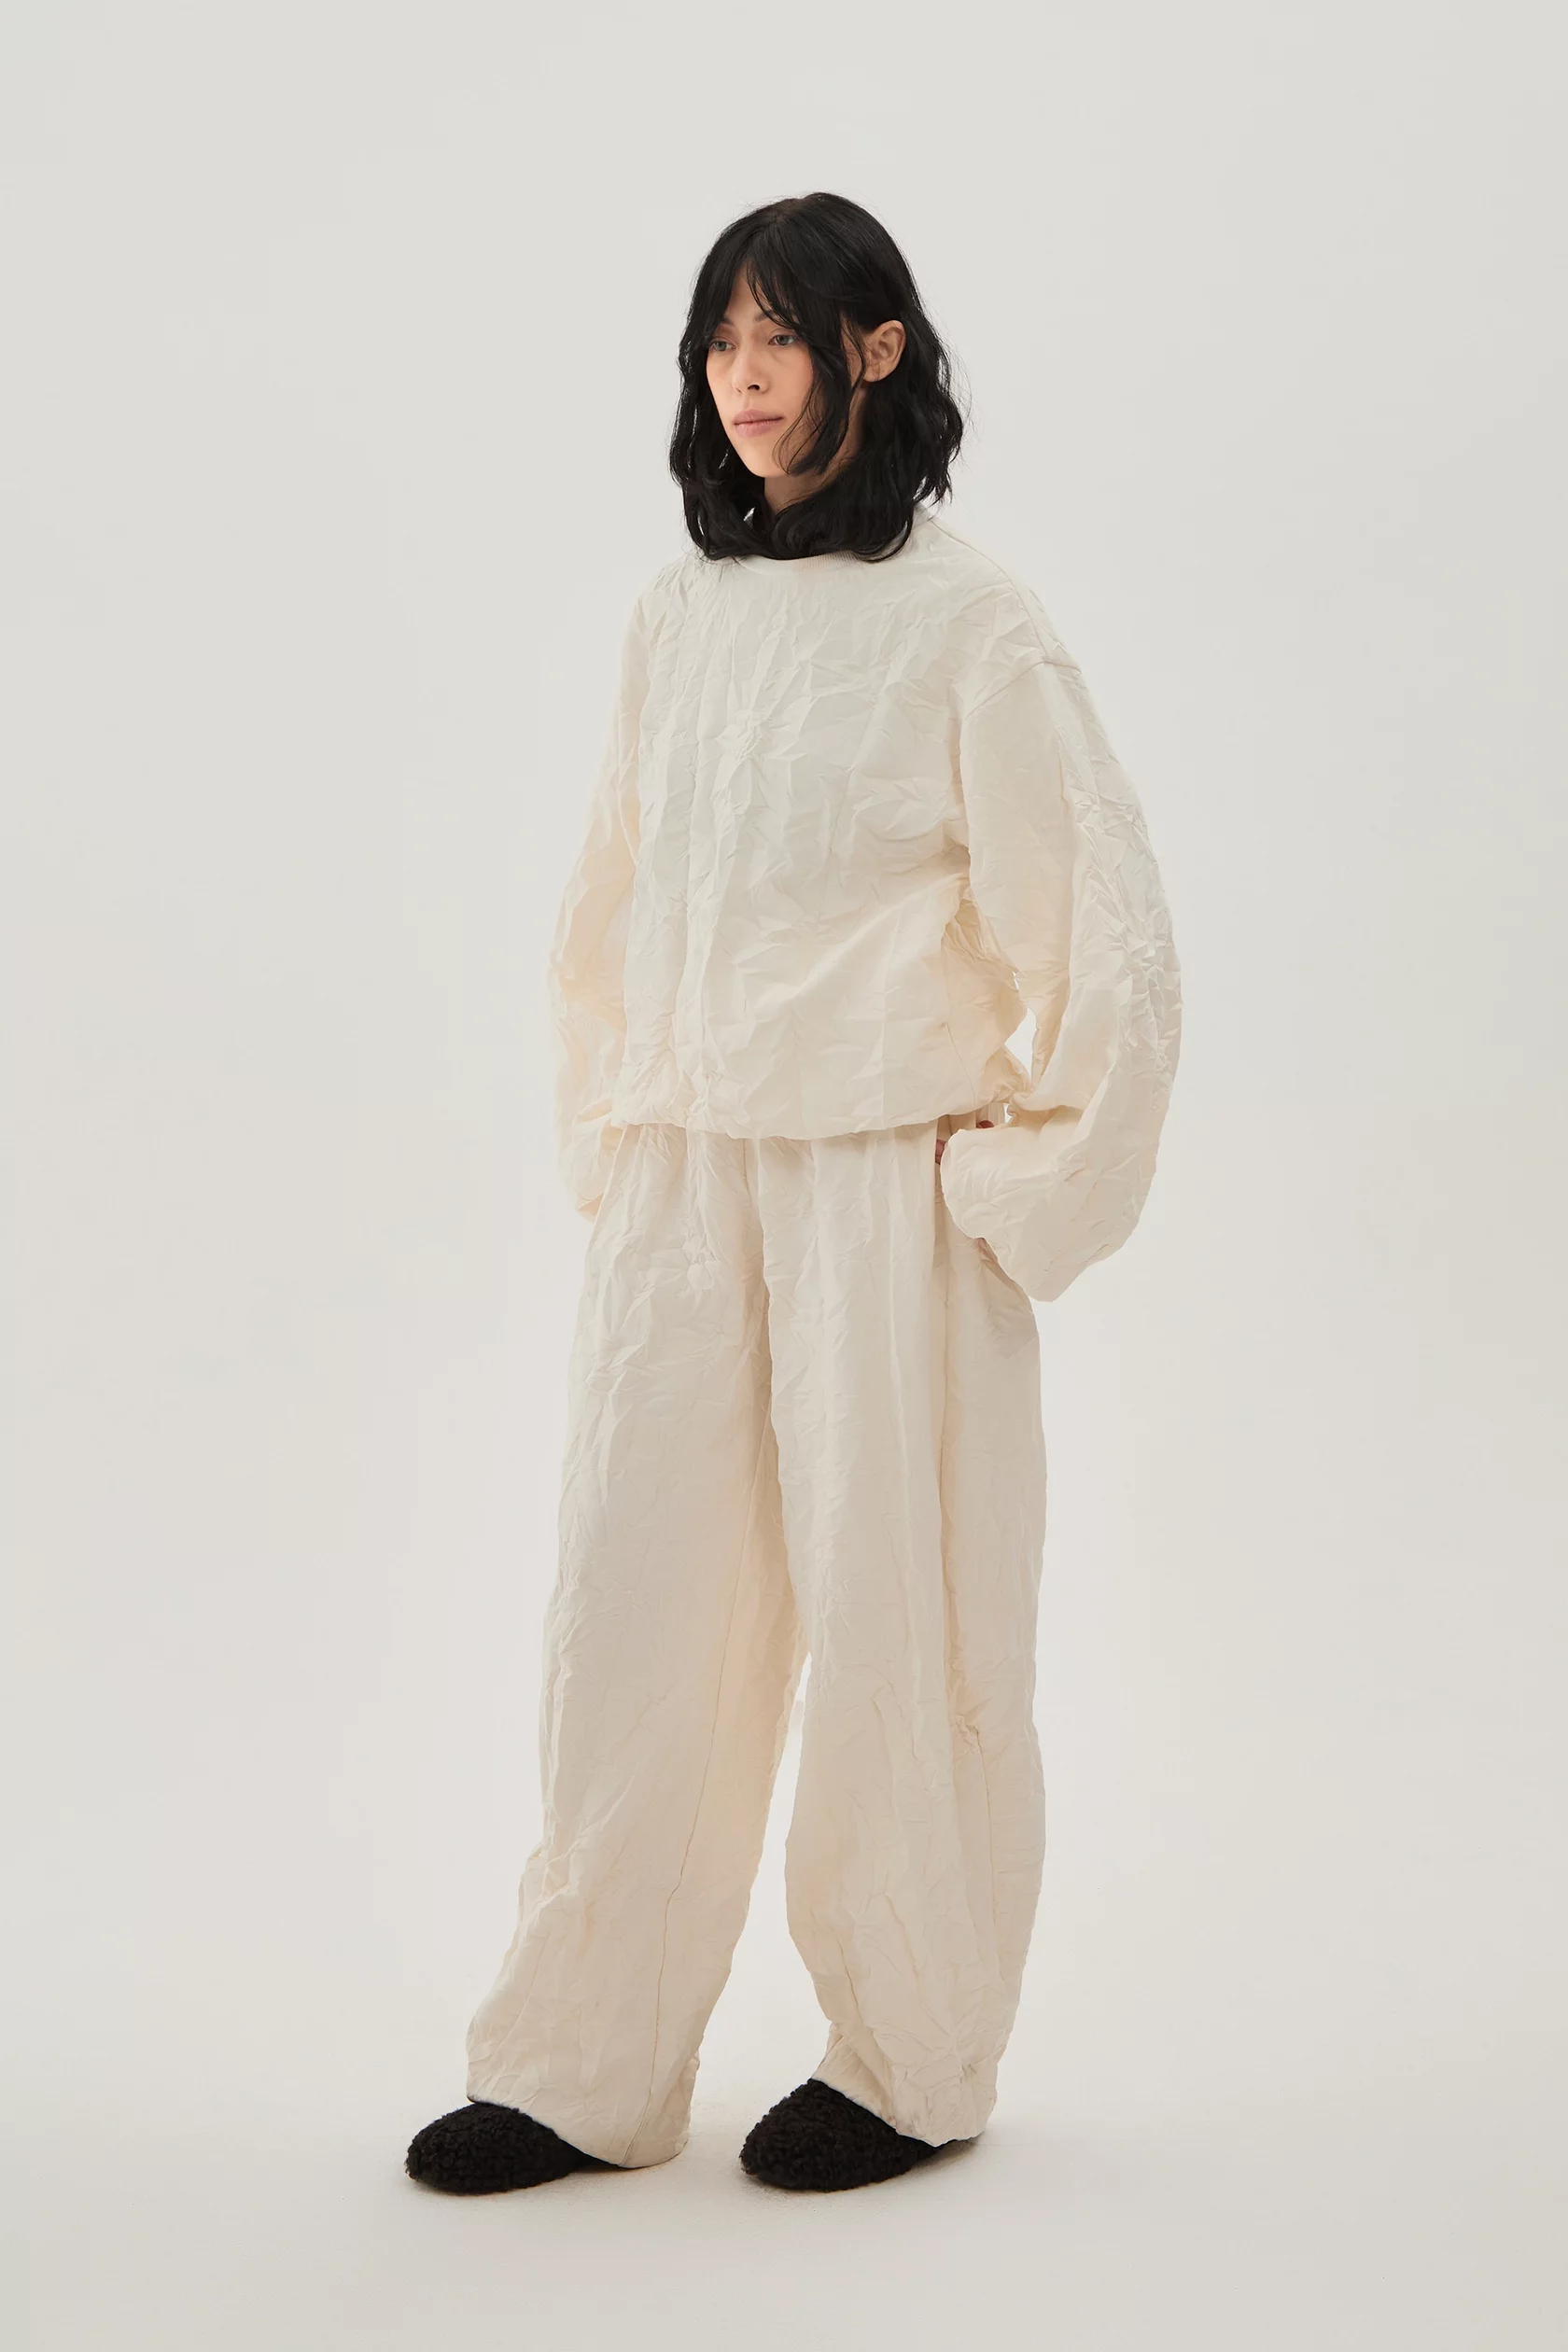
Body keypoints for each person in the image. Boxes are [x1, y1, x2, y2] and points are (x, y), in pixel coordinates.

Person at [405, 189, 1182, 2198]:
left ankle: (911, 2058)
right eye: (719, 342)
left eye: (781, 338)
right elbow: (609, 898)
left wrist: (1019, 1182)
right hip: (690, 1180)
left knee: (900, 1622)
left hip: (878, 1186)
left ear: (876, 350)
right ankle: (581, 2061)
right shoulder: (680, 615)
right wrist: (614, 1124)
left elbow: (1098, 918)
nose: (743, 379)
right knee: (634, 1607)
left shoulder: (969, 622)